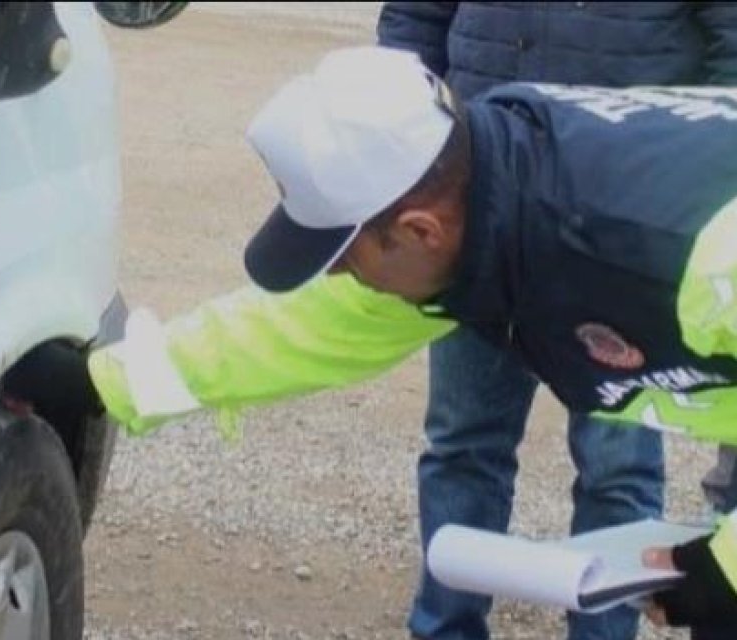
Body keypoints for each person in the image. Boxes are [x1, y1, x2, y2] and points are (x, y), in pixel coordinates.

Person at [81, 46, 737, 634]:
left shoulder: (667, 250)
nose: (341, 277)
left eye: (343, 255)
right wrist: (103, 381)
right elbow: (306, 326)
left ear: (420, 231)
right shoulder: (488, 199)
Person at [373, 3, 737, 638]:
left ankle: (603, 631)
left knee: (616, 469)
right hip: (476, 199)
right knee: (463, 444)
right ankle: (445, 627)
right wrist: (417, 151)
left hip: (624, 223)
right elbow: (414, 16)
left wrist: (689, 151)